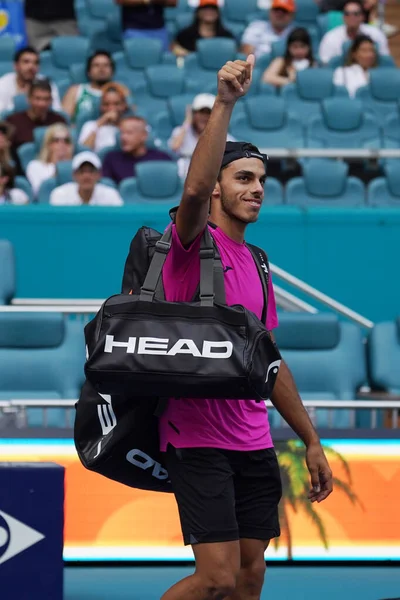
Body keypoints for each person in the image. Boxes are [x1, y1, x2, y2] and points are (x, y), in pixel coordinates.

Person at [158, 54, 333, 600]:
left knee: (251, 577)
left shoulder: (257, 261)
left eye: (261, 179)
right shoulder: (191, 246)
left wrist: (310, 438)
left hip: (253, 438)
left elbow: (269, 357)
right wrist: (226, 102)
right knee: (215, 580)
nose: (257, 188)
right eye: (243, 178)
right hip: (197, 436)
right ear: (216, 187)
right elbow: (191, 193)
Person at [169, 93, 235, 178]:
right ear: (194, 114)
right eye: (201, 112)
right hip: (184, 176)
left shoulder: (222, 136)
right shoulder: (182, 131)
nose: (204, 117)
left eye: (208, 113)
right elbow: (174, 147)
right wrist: (187, 122)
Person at [102, 116, 172, 184]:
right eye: (122, 133)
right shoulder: (111, 158)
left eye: (129, 133)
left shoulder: (162, 159)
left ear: (144, 136)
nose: (123, 137)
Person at [62, 51, 129, 123]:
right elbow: (64, 120)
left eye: (106, 65)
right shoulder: (76, 90)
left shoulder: (121, 90)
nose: (101, 69)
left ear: (112, 71)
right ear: (89, 72)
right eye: (96, 65)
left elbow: (131, 118)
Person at [318, 0, 389, 64]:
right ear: (343, 17)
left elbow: (384, 59)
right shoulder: (331, 37)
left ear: (362, 17)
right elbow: (325, 63)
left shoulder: (376, 34)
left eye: (356, 14)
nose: (351, 17)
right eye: (347, 14)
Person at [5, 80, 66, 154]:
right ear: (28, 99)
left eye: (46, 99)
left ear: (51, 100)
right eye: (37, 98)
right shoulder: (13, 122)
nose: (42, 104)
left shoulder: (59, 121)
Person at [0, 47, 61, 114]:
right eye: (26, 62)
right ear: (16, 65)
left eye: (36, 63)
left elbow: (56, 110)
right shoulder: (3, 84)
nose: (31, 66)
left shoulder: (47, 84)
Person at [50, 151, 123, 206]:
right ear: (74, 175)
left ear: (99, 175)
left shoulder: (111, 195)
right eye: (82, 171)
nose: (86, 176)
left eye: (91, 171)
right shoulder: (60, 195)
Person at [78, 84, 130, 153]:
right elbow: (84, 152)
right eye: (106, 104)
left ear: (124, 105)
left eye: (116, 104)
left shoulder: (133, 126)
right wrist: (100, 123)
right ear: (100, 106)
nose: (111, 108)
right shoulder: (90, 125)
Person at [26, 123, 73, 196]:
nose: (62, 144)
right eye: (56, 140)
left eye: (66, 140)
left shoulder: (76, 167)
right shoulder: (35, 166)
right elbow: (40, 191)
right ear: (49, 144)